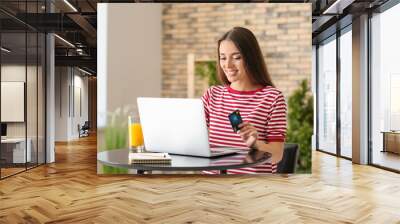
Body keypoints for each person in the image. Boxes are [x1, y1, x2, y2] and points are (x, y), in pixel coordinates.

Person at [201, 27, 287, 174]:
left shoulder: (272, 98)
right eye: (223, 57)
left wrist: (255, 143)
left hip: (251, 188)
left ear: (251, 57)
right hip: (211, 186)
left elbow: (277, 155)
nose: (227, 65)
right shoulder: (212, 95)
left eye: (236, 57)